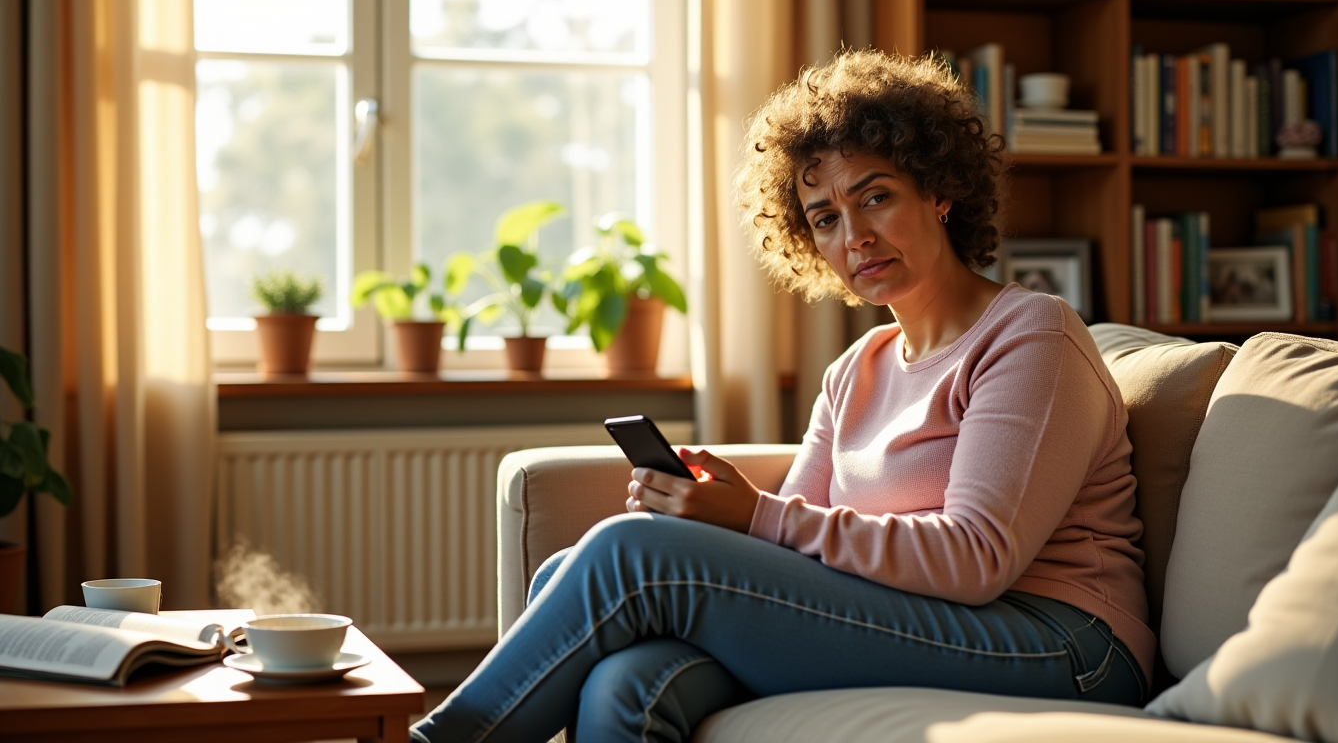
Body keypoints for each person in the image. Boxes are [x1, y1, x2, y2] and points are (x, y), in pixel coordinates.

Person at [411, 49, 1151, 743]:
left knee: (625, 554)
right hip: (928, 619)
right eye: (826, 218)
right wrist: (717, 510)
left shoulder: (1030, 334)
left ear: (940, 193)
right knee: (623, 675)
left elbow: (976, 559)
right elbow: (795, 539)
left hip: (1065, 643)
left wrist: (756, 515)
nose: (855, 236)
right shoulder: (857, 369)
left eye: (876, 197)